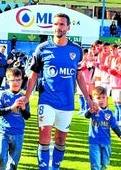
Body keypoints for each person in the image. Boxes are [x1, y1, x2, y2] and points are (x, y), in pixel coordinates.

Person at [24, 13, 93, 170]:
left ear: (68, 27)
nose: (58, 27)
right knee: (44, 136)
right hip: (47, 100)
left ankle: (54, 167)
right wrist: (27, 97)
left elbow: (79, 76)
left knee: (61, 140)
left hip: (67, 102)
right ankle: (43, 168)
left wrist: (88, 98)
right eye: (55, 24)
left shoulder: (76, 50)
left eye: (62, 24)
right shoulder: (42, 48)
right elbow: (33, 75)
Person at [0, 67, 30, 170]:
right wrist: (12, 107)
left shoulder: (24, 97)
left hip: (18, 133)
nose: (16, 82)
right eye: (13, 80)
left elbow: (27, 116)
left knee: (14, 161)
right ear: (7, 81)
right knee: (0, 155)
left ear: (22, 80)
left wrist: (23, 108)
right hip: (4, 131)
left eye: (18, 80)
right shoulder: (3, 95)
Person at [85, 86, 121, 170]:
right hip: (94, 141)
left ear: (106, 98)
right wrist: (90, 111)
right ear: (93, 99)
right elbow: (86, 116)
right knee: (95, 165)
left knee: (104, 164)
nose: (101, 100)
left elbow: (114, 126)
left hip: (106, 142)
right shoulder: (93, 110)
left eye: (103, 97)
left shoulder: (110, 113)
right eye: (98, 98)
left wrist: (120, 135)